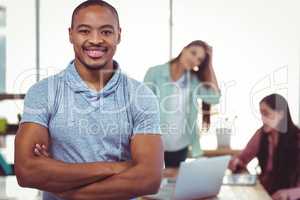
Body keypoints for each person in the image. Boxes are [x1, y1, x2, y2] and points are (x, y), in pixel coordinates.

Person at [14, 1, 163, 200]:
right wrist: (116, 167)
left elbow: (149, 179)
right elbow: (26, 171)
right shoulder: (43, 92)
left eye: (106, 32)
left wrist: (65, 188)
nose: (95, 40)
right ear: (71, 34)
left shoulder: (141, 96)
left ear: (119, 34)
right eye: (84, 31)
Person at [144, 40, 221, 167]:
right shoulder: (155, 72)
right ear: (184, 49)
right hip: (154, 144)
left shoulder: (194, 80)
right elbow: (143, 106)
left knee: (174, 184)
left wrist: (210, 65)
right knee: (152, 183)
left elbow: (214, 98)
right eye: (193, 53)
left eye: (199, 59)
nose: (194, 59)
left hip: (180, 146)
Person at [229, 94, 300, 200]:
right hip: (264, 194)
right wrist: (236, 161)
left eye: (266, 114)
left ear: (281, 114)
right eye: (261, 114)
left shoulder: (297, 139)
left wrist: (291, 193)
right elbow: (242, 158)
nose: (262, 119)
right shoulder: (261, 135)